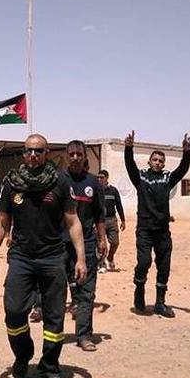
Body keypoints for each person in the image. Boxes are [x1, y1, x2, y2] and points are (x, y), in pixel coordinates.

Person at [0, 134, 87, 378]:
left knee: (54, 318)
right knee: (14, 312)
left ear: (46, 154)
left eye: (39, 151)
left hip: (53, 257)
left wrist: (81, 258)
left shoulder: (60, 181)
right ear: (23, 154)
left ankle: (50, 368)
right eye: (29, 151)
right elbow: (0, 222)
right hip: (21, 257)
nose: (33, 155)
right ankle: (23, 355)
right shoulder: (12, 183)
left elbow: (73, 222)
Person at [124, 131, 190, 318]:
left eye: (161, 161)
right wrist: (128, 148)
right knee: (144, 261)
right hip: (144, 229)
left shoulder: (167, 179)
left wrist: (186, 152)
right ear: (149, 162)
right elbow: (130, 166)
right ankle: (139, 289)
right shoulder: (141, 178)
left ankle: (160, 303)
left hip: (162, 230)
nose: (158, 163)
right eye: (154, 160)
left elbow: (182, 170)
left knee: (164, 266)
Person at [62, 141, 106, 352]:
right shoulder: (59, 180)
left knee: (86, 291)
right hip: (60, 243)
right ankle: (53, 334)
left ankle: (84, 335)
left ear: (85, 156)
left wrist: (102, 238)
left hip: (87, 244)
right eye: (72, 154)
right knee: (54, 290)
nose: (76, 158)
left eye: (79, 154)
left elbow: (99, 214)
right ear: (66, 156)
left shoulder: (93, 183)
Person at [97, 170, 125, 273]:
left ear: (107, 178)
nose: (99, 179)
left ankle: (110, 257)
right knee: (101, 243)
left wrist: (123, 220)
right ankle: (102, 264)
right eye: (98, 177)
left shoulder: (113, 191)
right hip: (100, 221)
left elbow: (119, 205)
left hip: (112, 219)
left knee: (115, 242)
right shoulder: (96, 191)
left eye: (102, 177)